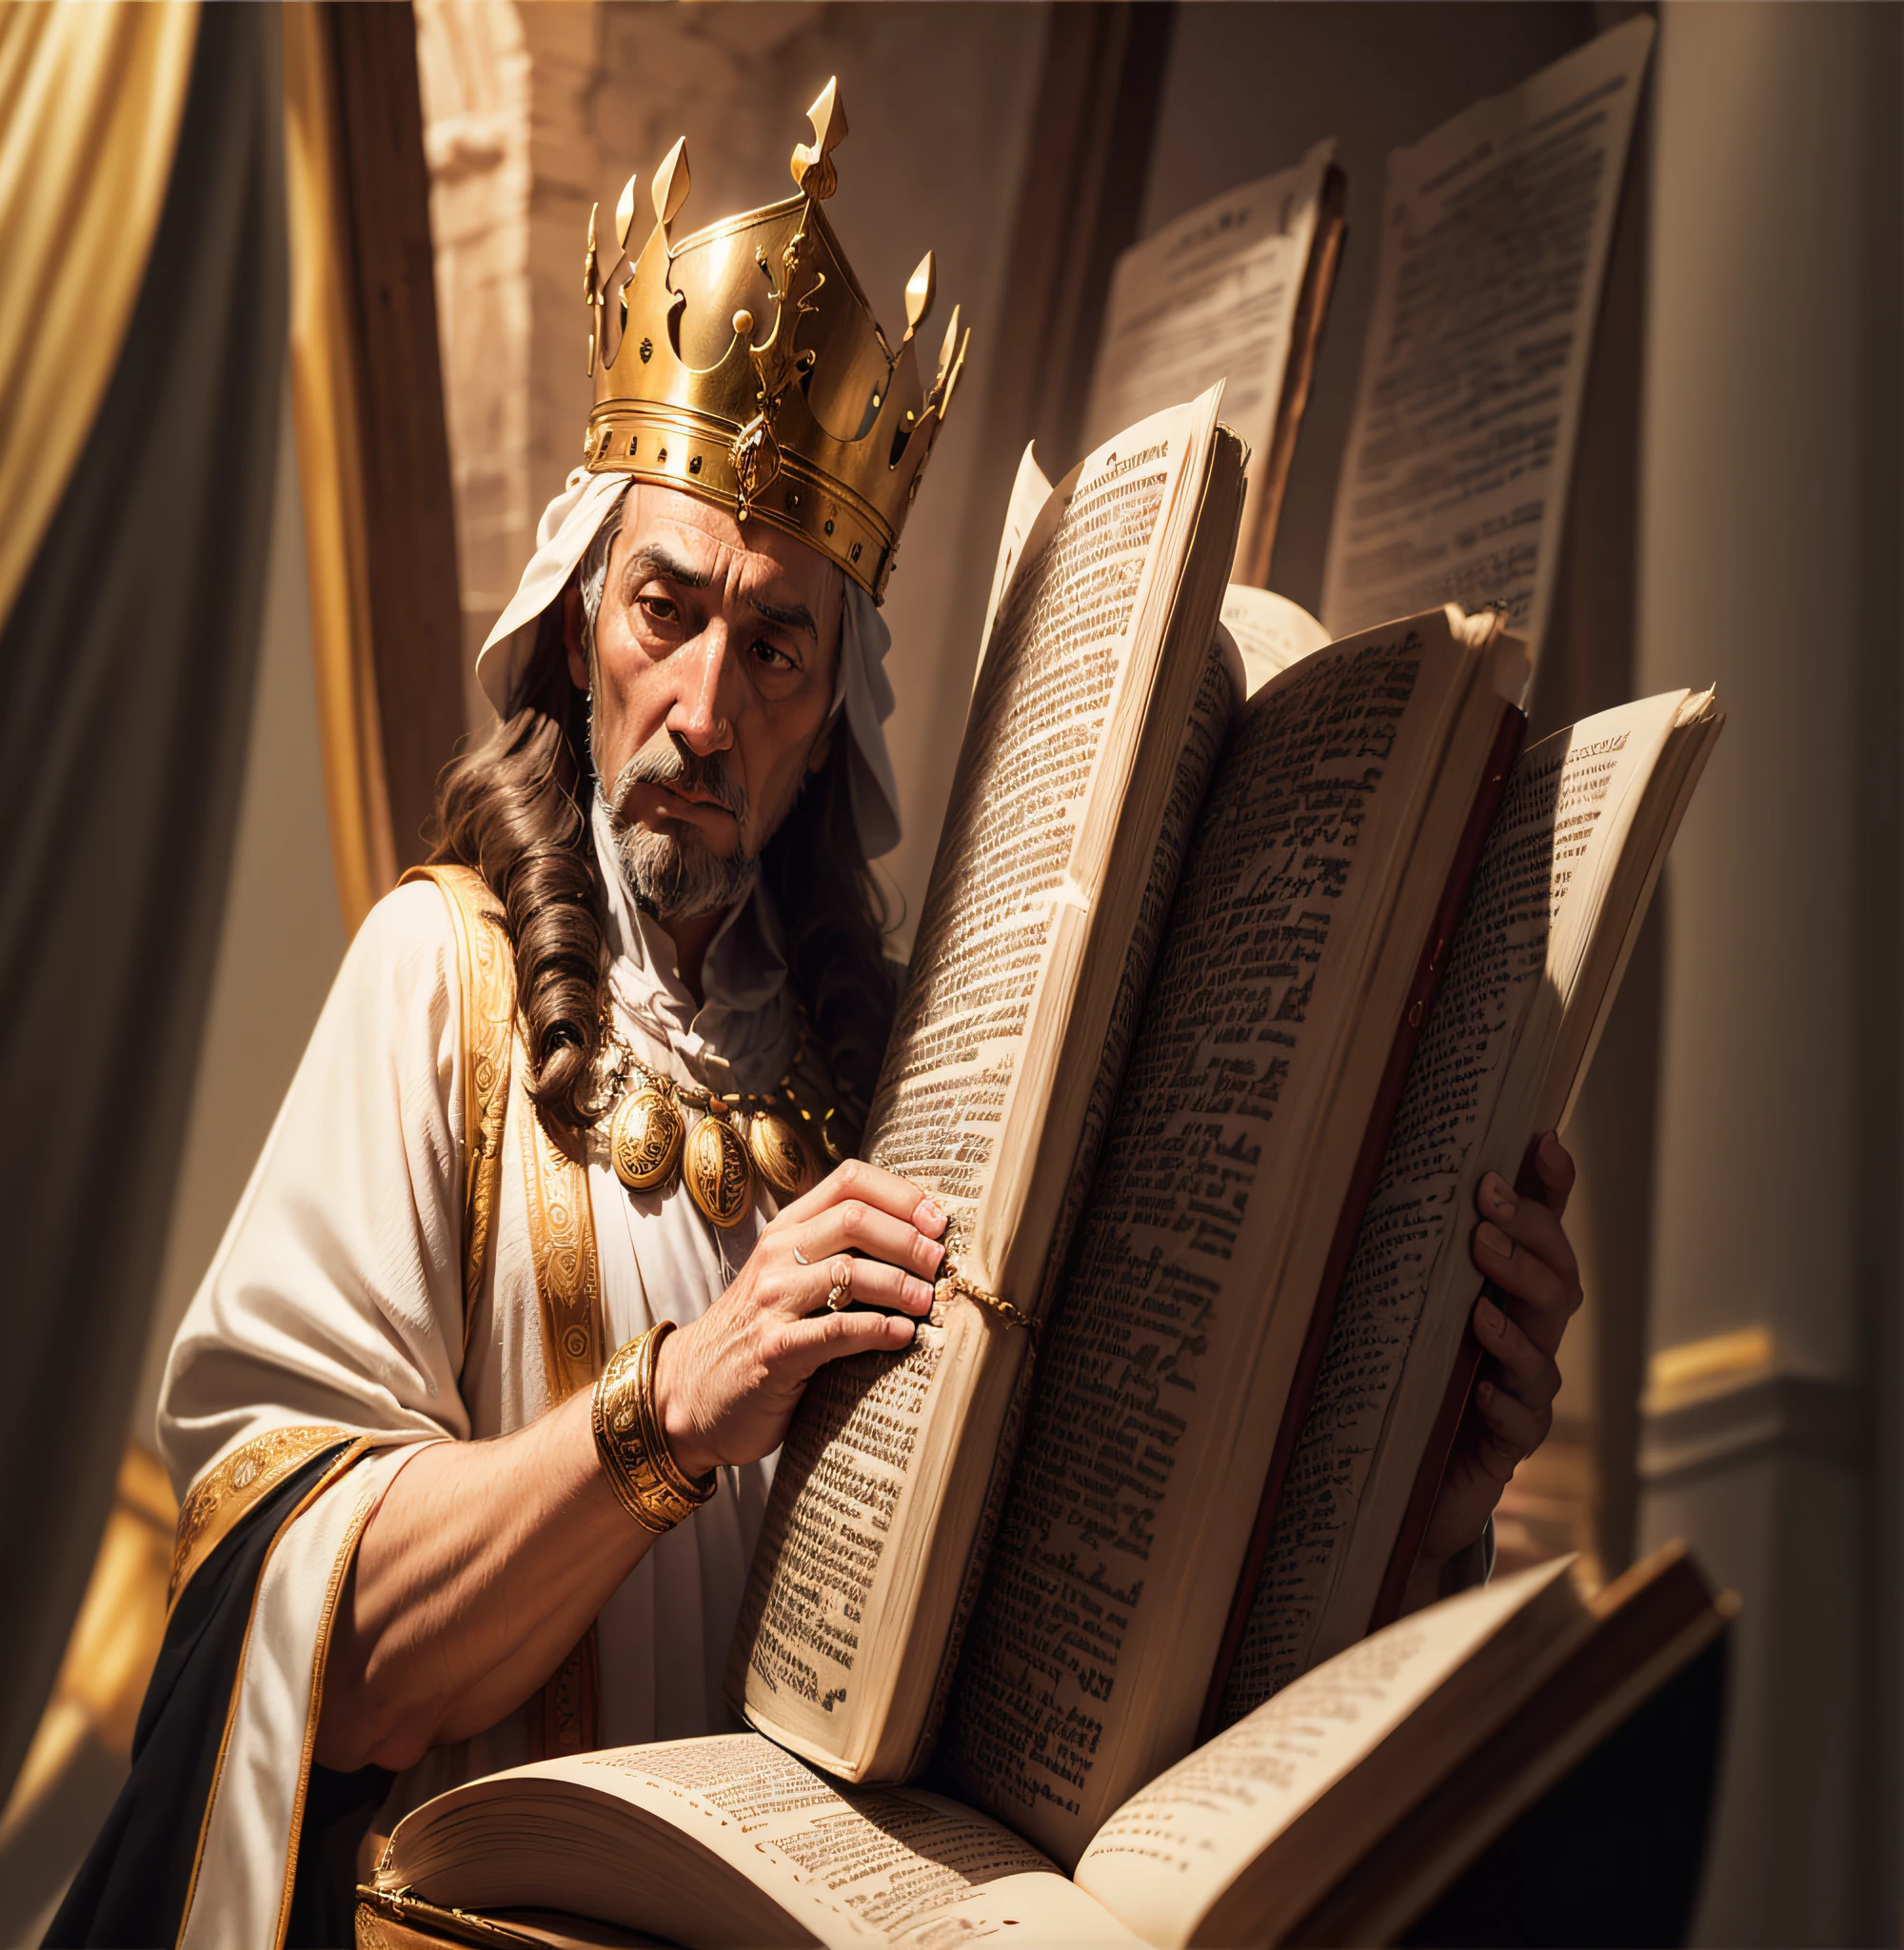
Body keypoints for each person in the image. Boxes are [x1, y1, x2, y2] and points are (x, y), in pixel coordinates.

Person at [50, 83, 1583, 1947]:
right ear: (569, 627)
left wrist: (1424, 1474)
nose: (702, 706)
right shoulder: (432, 979)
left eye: (773, 644)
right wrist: (675, 1409)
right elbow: (322, 1657)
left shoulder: (892, 1079)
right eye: (662, 612)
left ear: (833, 706)